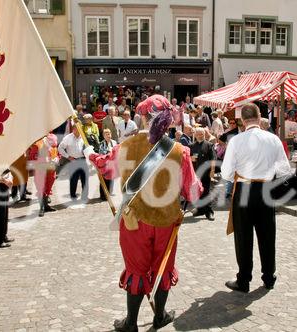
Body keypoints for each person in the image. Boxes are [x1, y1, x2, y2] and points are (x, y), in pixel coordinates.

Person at [86, 94, 202, 331]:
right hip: (167, 222)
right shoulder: (180, 150)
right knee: (163, 269)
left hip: (134, 221)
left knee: (136, 271)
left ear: (141, 117)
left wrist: (89, 153)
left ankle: (131, 323)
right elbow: (193, 192)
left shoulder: (125, 146)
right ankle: (160, 317)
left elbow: (105, 168)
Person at [221, 103, 292, 293]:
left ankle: (244, 279)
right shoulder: (273, 139)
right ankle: (269, 277)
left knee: (243, 236)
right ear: (260, 117)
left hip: (244, 188)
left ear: (242, 121)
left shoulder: (236, 140)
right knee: (268, 235)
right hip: (265, 189)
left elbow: (226, 173)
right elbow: (285, 169)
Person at [29, 134, 58, 217]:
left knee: (48, 187)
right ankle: (41, 207)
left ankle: (46, 206)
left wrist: (56, 159)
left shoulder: (53, 139)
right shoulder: (37, 144)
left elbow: (56, 152)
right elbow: (32, 157)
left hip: (51, 169)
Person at [190, 128, 216, 221]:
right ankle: (200, 209)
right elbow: (187, 159)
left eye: (202, 134)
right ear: (195, 135)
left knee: (207, 192)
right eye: (199, 134)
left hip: (206, 172)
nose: (201, 136)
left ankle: (209, 211)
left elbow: (213, 159)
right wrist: (191, 158)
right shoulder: (191, 146)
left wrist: (212, 171)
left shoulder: (209, 145)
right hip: (195, 173)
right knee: (198, 192)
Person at [58, 126, 88, 201]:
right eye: (77, 129)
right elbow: (60, 148)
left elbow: (87, 147)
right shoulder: (68, 138)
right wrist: (68, 156)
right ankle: (73, 195)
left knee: (84, 179)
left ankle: (85, 196)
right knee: (74, 179)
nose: (78, 130)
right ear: (73, 129)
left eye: (79, 129)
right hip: (73, 160)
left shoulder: (83, 136)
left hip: (83, 160)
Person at [98, 128, 117, 201]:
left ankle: (109, 193)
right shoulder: (101, 143)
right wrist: (110, 153)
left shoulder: (114, 142)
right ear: (103, 136)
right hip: (104, 164)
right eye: (106, 134)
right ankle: (103, 196)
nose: (108, 135)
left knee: (111, 179)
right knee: (104, 179)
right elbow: (102, 153)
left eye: (109, 133)